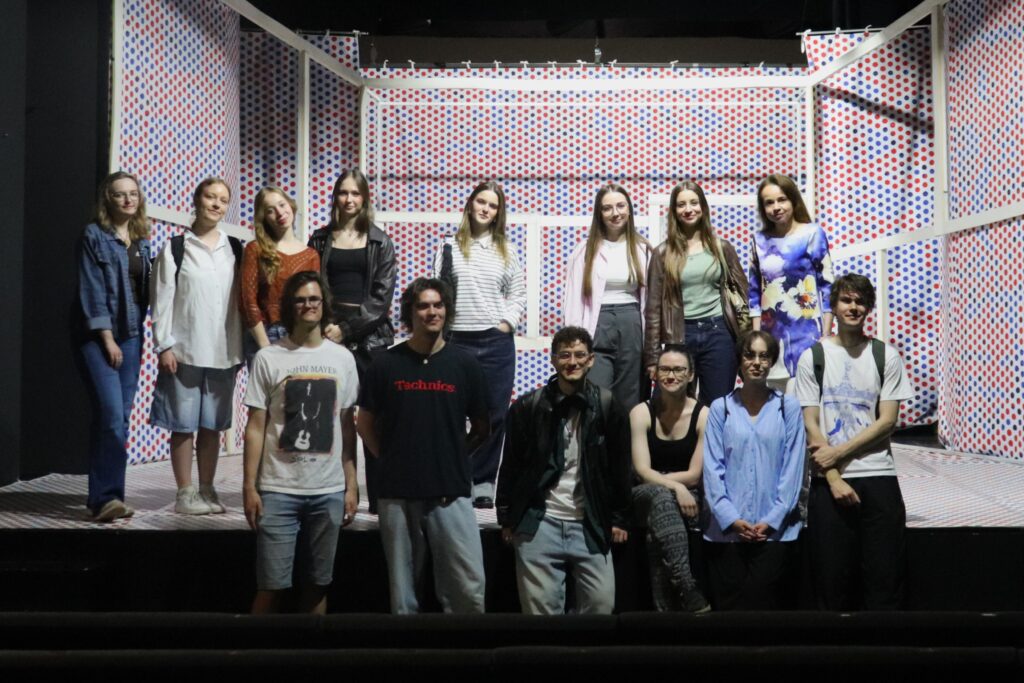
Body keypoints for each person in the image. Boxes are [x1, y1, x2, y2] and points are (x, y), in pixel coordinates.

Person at [357, 278, 489, 614]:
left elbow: (482, 427)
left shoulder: (465, 365)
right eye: (423, 306)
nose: (432, 312)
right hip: (397, 494)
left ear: (447, 310)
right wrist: (388, 459)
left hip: (450, 491)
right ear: (410, 313)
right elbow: (364, 423)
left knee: (468, 592)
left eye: (438, 305)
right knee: (404, 599)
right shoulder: (385, 364)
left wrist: (452, 457)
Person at [242, 271, 358, 614]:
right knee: (271, 587)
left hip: (328, 490)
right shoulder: (269, 358)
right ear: (290, 306)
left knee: (318, 586)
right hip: (278, 490)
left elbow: (347, 428)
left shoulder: (343, 359)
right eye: (301, 300)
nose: (309, 305)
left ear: (324, 304)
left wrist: (351, 485)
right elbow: (255, 428)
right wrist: (249, 487)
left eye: (314, 299)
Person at [795, 274, 913, 610]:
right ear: (833, 306)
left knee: (884, 581)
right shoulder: (813, 357)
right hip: (829, 483)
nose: (853, 307)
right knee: (831, 583)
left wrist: (837, 454)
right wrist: (833, 477)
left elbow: (887, 421)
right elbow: (810, 424)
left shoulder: (885, 355)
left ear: (868, 308)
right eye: (846, 300)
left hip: (878, 476)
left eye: (860, 301)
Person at [497, 326, 631, 615]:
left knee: (601, 606)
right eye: (565, 355)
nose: (573, 362)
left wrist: (619, 518)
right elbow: (511, 466)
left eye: (580, 355)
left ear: (591, 360)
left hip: (590, 522)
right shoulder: (528, 407)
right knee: (541, 616)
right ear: (553, 359)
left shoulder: (608, 406)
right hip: (539, 522)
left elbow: (620, 468)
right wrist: (506, 517)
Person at [150, 177, 243, 515]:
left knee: (212, 426)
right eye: (210, 197)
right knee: (182, 425)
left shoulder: (235, 249)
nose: (216, 204)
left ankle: (207, 488)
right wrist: (164, 346)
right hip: (184, 350)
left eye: (223, 199)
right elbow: (161, 300)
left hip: (223, 351)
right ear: (197, 199)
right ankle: (184, 493)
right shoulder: (176, 247)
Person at [308, 169, 397, 514]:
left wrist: (346, 329)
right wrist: (326, 327)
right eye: (343, 193)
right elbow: (311, 287)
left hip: (370, 340)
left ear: (365, 198)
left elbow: (381, 299)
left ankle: (379, 497)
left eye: (355, 193)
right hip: (326, 335)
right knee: (328, 418)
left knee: (374, 420)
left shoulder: (380, 241)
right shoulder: (319, 239)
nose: (349, 199)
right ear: (335, 197)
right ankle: (334, 493)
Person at [433, 180, 526, 509]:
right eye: (481, 202)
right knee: (452, 413)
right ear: (470, 204)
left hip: (495, 342)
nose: (486, 209)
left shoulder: (506, 250)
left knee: (494, 413)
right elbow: (439, 292)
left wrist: (506, 325)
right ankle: (456, 475)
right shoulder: (449, 246)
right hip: (456, 339)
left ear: (498, 213)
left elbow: (518, 294)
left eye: (493, 205)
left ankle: (483, 479)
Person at [702, 331, 805, 610]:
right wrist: (731, 519)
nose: (757, 362)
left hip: (775, 533)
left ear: (772, 362)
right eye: (750, 355)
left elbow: (793, 468)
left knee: (767, 612)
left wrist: (772, 520)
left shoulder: (787, 407)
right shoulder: (721, 408)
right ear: (739, 360)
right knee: (729, 614)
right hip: (727, 534)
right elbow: (712, 469)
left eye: (764, 356)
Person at [76, 171, 152, 522]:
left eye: (133, 193)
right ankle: (105, 497)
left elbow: (143, 293)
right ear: (108, 198)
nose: (128, 199)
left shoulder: (141, 239)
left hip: (132, 333)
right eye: (120, 194)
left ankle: (109, 498)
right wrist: (107, 338)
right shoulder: (94, 235)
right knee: (109, 413)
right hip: (99, 336)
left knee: (119, 417)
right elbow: (91, 290)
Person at [645, 180, 747, 404]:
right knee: (670, 406)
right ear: (674, 211)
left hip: (719, 334)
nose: (688, 209)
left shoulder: (722, 248)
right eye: (681, 204)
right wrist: (652, 357)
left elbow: (744, 296)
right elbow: (652, 310)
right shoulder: (662, 253)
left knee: (717, 405)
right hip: (680, 336)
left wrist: (748, 342)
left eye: (693, 202)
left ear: (703, 207)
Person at [630, 344, 709, 612]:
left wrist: (675, 486)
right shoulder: (641, 412)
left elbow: (695, 475)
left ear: (690, 375)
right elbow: (642, 471)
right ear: (655, 373)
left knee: (660, 519)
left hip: (686, 492)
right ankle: (686, 584)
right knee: (660, 496)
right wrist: (675, 486)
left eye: (678, 370)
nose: (671, 375)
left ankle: (664, 612)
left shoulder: (704, 414)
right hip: (645, 492)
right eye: (664, 369)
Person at [563, 183, 651, 410]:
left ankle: (628, 435)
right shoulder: (584, 250)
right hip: (597, 325)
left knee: (630, 396)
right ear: (599, 213)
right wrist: (574, 342)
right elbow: (573, 302)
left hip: (632, 323)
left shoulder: (643, 249)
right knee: (596, 395)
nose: (615, 213)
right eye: (607, 208)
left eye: (621, 206)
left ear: (629, 209)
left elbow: (652, 301)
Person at [748, 174, 835, 392]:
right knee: (772, 404)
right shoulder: (758, 241)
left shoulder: (812, 234)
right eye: (769, 202)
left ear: (793, 200)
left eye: (782, 200)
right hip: (771, 339)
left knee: (807, 402)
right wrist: (757, 339)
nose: (776, 207)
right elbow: (754, 294)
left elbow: (828, 286)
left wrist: (826, 335)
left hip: (808, 335)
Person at [239, 186, 319, 365]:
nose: (279, 212)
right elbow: (247, 301)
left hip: (300, 334)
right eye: (270, 210)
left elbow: (315, 303)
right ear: (264, 218)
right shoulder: (255, 249)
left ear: (291, 205)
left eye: (282, 205)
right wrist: (264, 345)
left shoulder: (311, 255)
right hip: (266, 333)